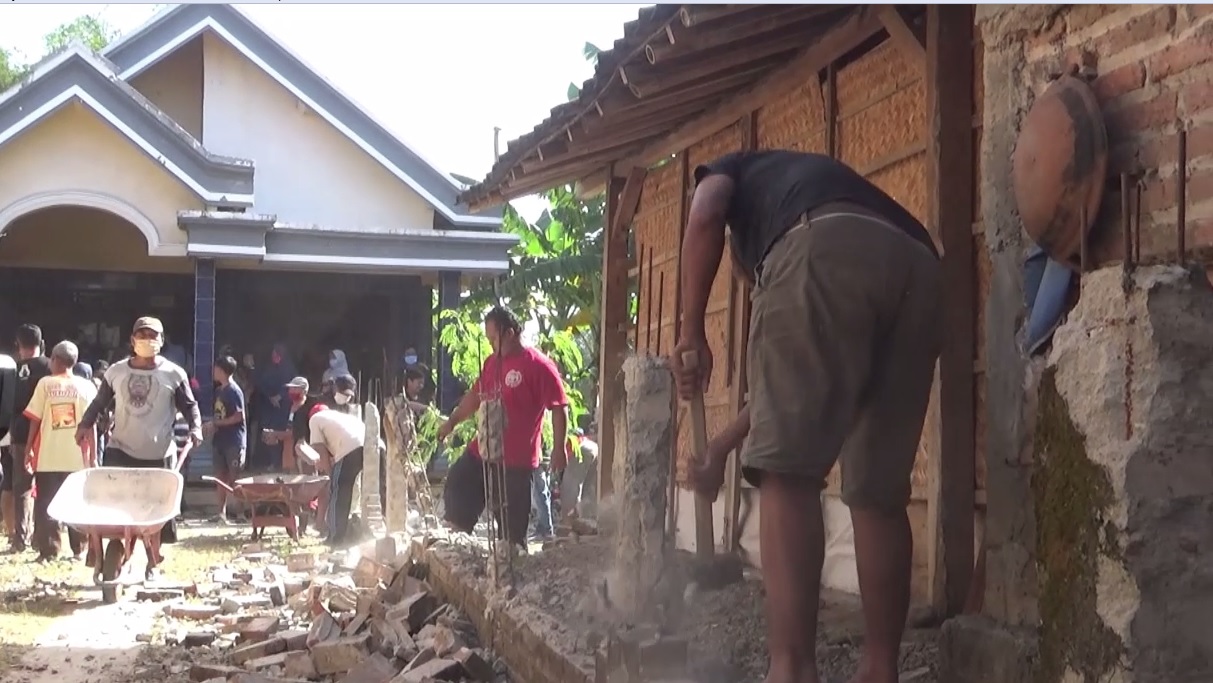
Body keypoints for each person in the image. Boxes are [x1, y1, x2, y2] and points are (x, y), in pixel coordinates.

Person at [670, 150, 941, 683]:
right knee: (878, 494)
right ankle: (880, 670)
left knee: (788, 476)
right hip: (920, 267)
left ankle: (791, 671)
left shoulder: (734, 174)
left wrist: (690, 331)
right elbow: (783, 399)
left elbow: (705, 209)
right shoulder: (812, 185)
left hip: (823, 246)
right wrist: (722, 447)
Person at [77, 316, 203, 580]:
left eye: (153, 335)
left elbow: (190, 406)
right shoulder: (116, 372)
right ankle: (105, 552)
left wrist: (196, 428)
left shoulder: (173, 374)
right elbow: (99, 403)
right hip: (120, 449)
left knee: (154, 513)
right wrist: (84, 424)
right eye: (142, 335)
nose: (147, 340)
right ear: (132, 340)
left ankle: (152, 562)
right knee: (112, 505)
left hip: (158, 453)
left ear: (161, 340)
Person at [437, 306, 570, 548]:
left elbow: (559, 407)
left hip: (515, 462)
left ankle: (511, 559)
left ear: (510, 333)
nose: (491, 345)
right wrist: (452, 421)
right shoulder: (490, 363)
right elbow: (475, 397)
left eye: (494, 339)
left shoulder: (539, 366)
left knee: (511, 530)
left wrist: (559, 448)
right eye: (488, 340)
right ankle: (457, 542)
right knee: (458, 482)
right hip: (483, 450)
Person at [23, 341, 97, 562]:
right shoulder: (87, 387)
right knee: (78, 503)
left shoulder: (45, 384)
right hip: (77, 458)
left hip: (48, 456)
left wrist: (28, 449)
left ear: (54, 359)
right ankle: (79, 550)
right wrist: (93, 456)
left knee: (47, 504)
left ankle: (50, 551)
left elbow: (35, 421)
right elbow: (91, 424)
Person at [6, 324, 51, 553]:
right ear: (42, 344)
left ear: (18, 344)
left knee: (21, 486)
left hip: (21, 434)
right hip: (48, 435)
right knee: (47, 485)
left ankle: (20, 538)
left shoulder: (10, 371)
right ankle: (45, 538)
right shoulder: (51, 366)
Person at [307, 375, 366, 544]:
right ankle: (360, 535)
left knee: (338, 490)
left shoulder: (315, 420)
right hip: (374, 446)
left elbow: (320, 454)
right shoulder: (343, 417)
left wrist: (328, 475)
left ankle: (334, 537)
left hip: (350, 449)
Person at [205, 355, 246, 524]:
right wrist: (212, 426)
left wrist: (217, 423)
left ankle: (241, 513)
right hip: (220, 440)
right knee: (220, 477)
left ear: (223, 371)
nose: (213, 371)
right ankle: (221, 513)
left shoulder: (234, 391)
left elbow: (239, 416)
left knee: (235, 477)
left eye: (216, 369)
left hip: (234, 441)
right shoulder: (218, 391)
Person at [253, 344, 295, 471]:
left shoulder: (289, 369)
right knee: (269, 433)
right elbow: (261, 383)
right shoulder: (269, 369)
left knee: (283, 434)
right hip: (269, 407)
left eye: (276, 355)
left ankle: (283, 464)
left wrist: (280, 396)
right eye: (273, 355)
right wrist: (270, 397)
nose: (274, 357)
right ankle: (272, 462)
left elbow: (292, 385)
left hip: (284, 408)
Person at [556, 425, 599, 521]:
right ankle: (588, 521)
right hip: (593, 447)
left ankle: (569, 524)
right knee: (588, 490)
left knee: (569, 489)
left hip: (580, 450)